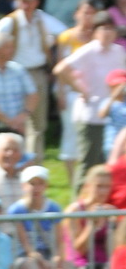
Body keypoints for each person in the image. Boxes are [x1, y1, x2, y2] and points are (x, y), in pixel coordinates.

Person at [0, 0, 63, 157]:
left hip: (39, 73)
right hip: (15, 74)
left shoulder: (41, 18)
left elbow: (64, 32)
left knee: (38, 125)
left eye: (28, 0)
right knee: (16, 121)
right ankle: (16, 162)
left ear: (36, 2)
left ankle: (35, 166)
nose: (24, 4)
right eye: (21, 0)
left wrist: (51, 42)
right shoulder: (9, 21)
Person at [53, 13, 123, 177]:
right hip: (90, 115)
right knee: (88, 165)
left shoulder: (118, 51)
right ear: (95, 32)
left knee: (109, 166)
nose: (107, 33)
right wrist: (80, 88)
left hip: (113, 118)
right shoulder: (88, 51)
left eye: (110, 29)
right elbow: (60, 69)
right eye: (103, 28)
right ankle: (80, 201)